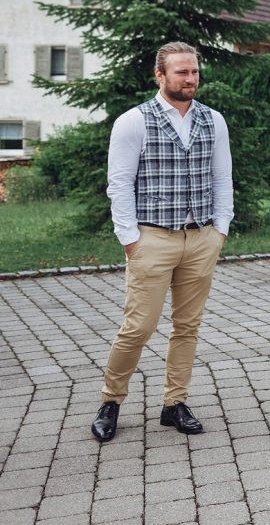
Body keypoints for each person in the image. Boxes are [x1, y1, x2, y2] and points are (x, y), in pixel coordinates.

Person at [91, 41, 233, 442]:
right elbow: (120, 184)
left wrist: (220, 229)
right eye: (181, 72)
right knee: (138, 327)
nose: (191, 79)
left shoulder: (213, 120)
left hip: (201, 237)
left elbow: (222, 177)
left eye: (194, 71)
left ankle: (174, 403)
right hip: (151, 238)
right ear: (160, 75)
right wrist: (130, 240)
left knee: (187, 327)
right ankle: (111, 401)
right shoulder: (133, 121)